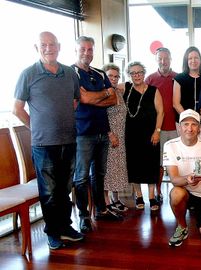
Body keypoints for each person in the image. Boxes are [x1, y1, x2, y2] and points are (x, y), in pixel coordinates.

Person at [13, 31, 84, 249]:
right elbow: (17, 109)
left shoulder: (70, 73)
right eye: (43, 45)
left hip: (68, 140)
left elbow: (75, 101)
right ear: (37, 48)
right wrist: (36, 127)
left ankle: (65, 227)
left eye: (52, 44)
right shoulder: (28, 74)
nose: (48, 48)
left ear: (59, 46)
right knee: (49, 191)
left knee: (64, 188)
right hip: (43, 144)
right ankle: (53, 232)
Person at [72, 36, 121, 233]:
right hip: (82, 133)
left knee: (99, 174)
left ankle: (101, 210)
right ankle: (84, 216)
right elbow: (82, 97)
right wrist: (103, 94)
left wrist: (92, 98)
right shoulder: (71, 73)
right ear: (76, 50)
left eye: (90, 49)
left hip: (102, 131)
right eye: (83, 49)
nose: (87, 52)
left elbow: (114, 99)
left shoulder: (100, 73)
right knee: (81, 177)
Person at [163, 109, 201, 246]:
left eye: (194, 124)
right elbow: (174, 179)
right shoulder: (170, 146)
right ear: (180, 127)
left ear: (199, 129)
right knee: (176, 193)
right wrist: (187, 179)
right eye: (186, 124)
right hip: (185, 192)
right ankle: (182, 227)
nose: (189, 128)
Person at [121, 61, 164, 211]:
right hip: (131, 135)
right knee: (134, 166)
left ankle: (152, 197)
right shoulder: (125, 88)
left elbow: (161, 112)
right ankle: (138, 196)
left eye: (139, 72)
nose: (137, 75)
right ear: (129, 75)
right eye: (133, 73)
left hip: (151, 134)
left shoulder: (153, 90)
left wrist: (157, 131)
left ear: (144, 73)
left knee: (151, 165)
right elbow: (109, 85)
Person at [145, 47, 178, 203]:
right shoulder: (150, 79)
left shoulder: (178, 78)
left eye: (166, 58)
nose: (163, 61)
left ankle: (181, 192)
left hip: (178, 128)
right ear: (156, 60)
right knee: (159, 164)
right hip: (159, 129)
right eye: (160, 59)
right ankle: (158, 191)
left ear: (171, 58)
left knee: (179, 162)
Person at [103, 63, 129, 212]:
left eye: (116, 76)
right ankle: (106, 200)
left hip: (121, 134)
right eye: (110, 76)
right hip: (109, 134)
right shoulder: (103, 92)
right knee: (107, 169)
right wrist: (110, 134)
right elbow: (101, 116)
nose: (113, 78)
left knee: (118, 168)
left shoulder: (118, 91)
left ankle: (116, 198)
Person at [173, 46, 201, 137]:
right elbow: (176, 103)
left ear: (200, 60)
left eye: (196, 58)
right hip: (184, 122)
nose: (193, 61)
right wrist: (189, 117)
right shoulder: (179, 78)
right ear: (186, 61)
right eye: (190, 58)